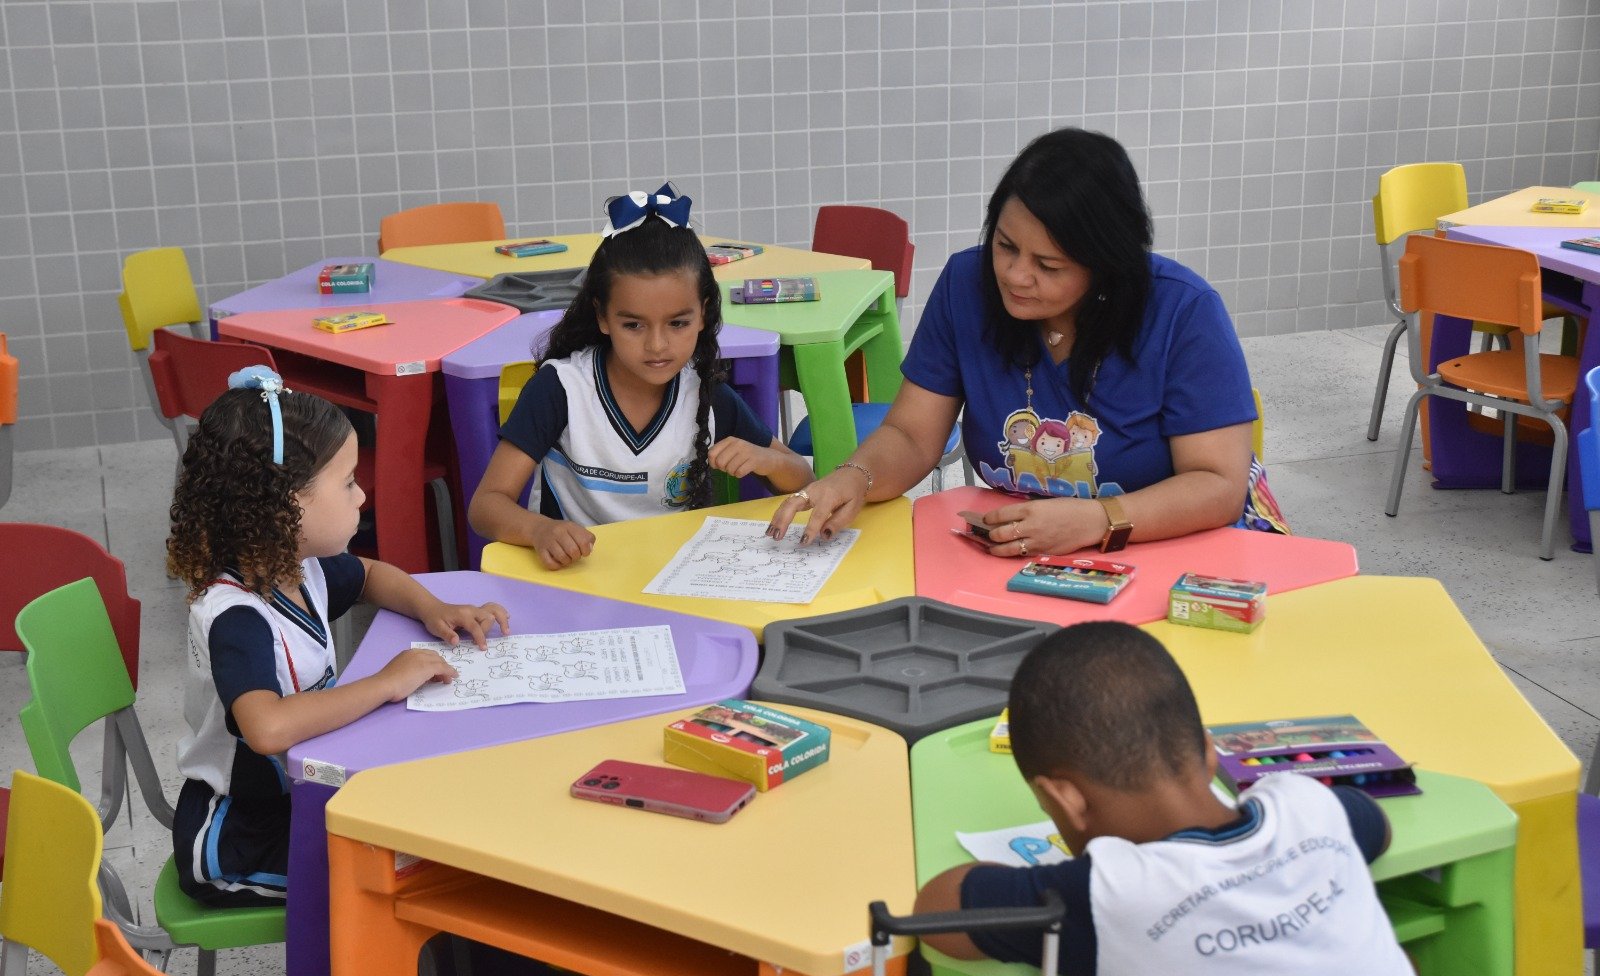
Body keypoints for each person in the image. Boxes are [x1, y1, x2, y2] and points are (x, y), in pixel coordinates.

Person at [914, 622, 1457, 976]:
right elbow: (1374, 824)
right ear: (1207, 750)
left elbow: (937, 909)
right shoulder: (1310, 807)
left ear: (1065, 799)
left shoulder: (1109, 895)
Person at [769, 127, 1288, 551]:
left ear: (1107, 265)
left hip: (1183, 546)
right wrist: (855, 476)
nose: (1016, 276)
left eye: (1048, 265)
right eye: (1005, 246)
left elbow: (1217, 484)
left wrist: (1097, 521)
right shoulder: (967, 286)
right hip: (1035, 550)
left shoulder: (1183, 311)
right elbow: (911, 435)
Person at [166, 369, 509, 907]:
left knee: (434, 833)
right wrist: (386, 683)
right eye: (348, 482)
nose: (362, 494)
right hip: (240, 836)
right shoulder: (237, 616)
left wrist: (434, 609)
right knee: (403, 875)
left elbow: (371, 575)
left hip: (306, 794)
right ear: (284, 505)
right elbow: (267, 728)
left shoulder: (297, 565)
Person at [469, 184, 813, 570]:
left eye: (678, 323)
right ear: (602, 316)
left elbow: (805, 480)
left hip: (676, 577)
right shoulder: (561, 389)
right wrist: (538, 530)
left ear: (702, 314)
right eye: (633, 325)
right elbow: (486, 506)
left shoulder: (707, 395)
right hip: (577, 579)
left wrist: (768, 461)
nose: (657, 345)